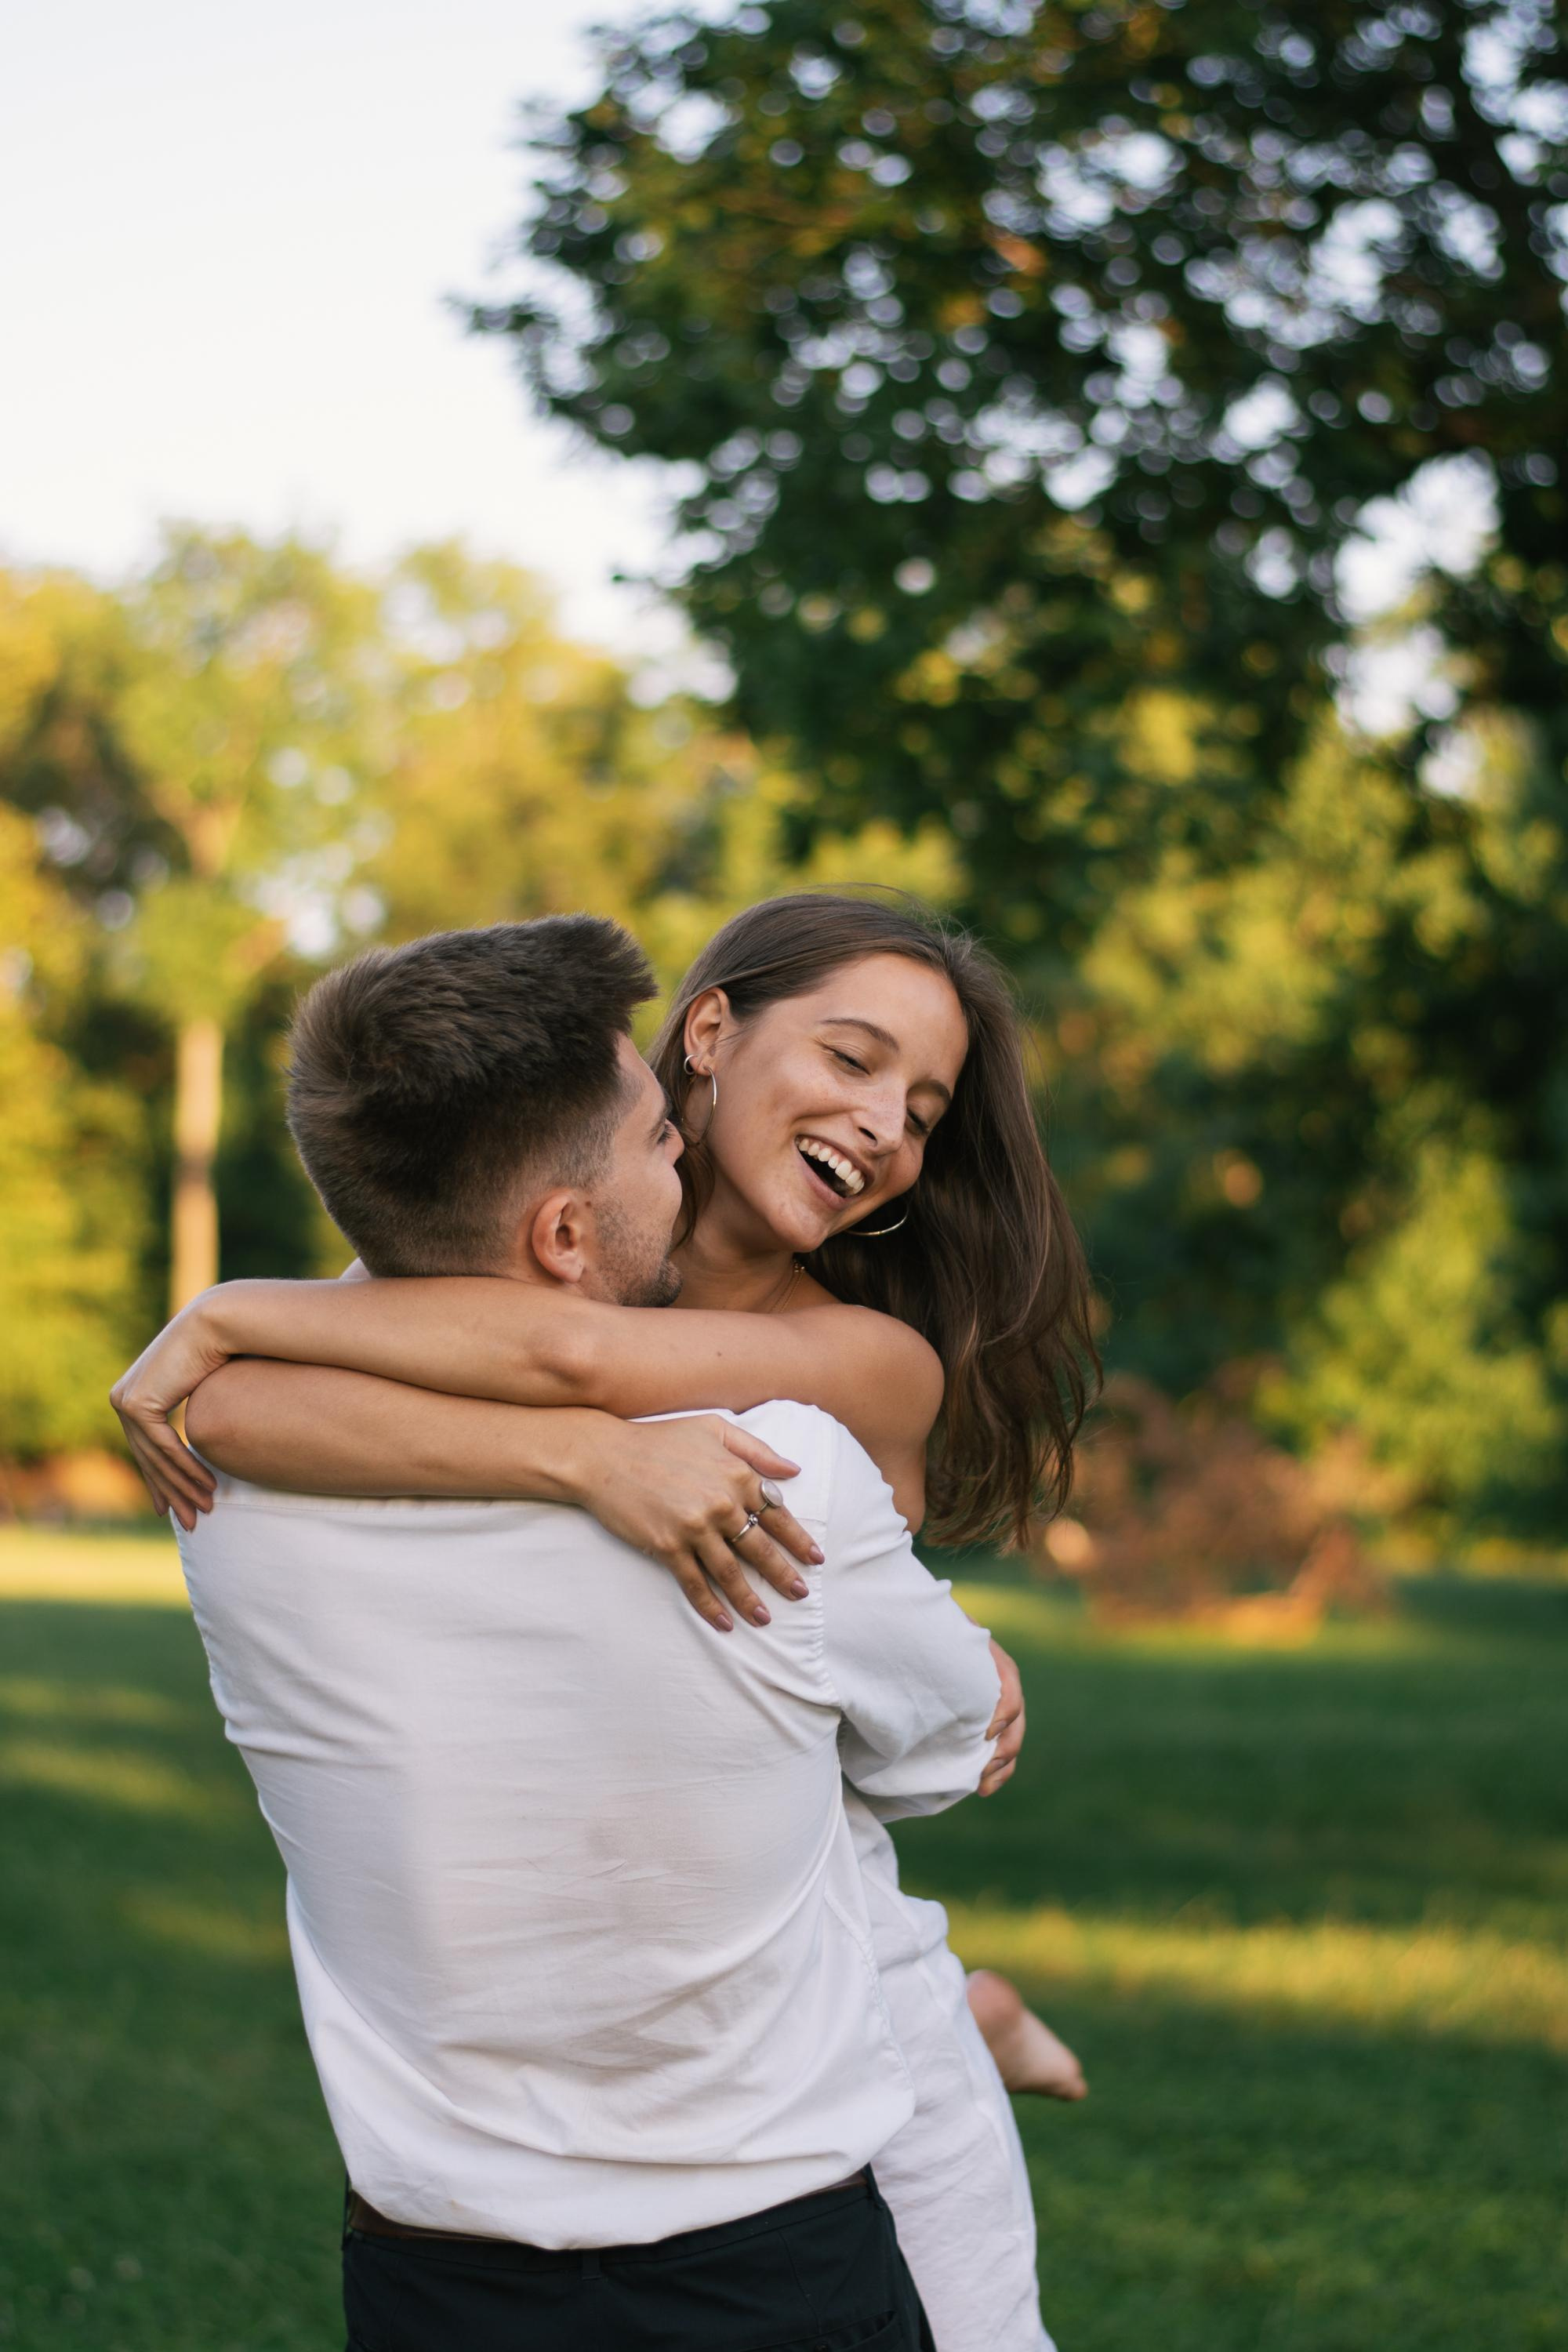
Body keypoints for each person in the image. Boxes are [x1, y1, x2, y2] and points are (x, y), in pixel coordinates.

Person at [115, 891, 1098, 2351]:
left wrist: (226, 1311)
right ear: (708, 1034)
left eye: (924, 1111)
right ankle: (984, 2013)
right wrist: (582, 1464)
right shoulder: (532, 1239)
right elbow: (254, 1415)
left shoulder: (857, 1361)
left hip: (839, 1948)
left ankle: (964, 2021)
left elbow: (569, 1353)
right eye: (851, 1058)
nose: (886, 1124)